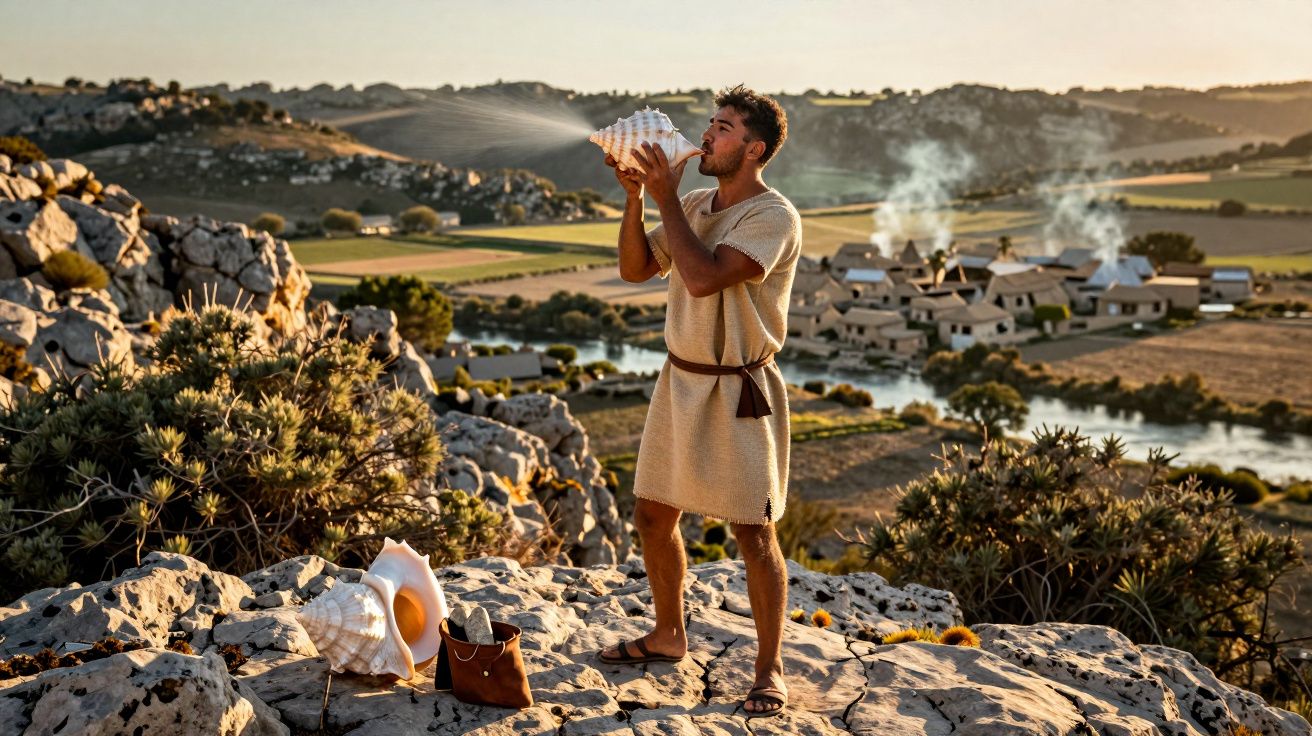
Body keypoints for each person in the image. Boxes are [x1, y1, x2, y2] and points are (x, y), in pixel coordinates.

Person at [596, 84, 801, 719]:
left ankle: (770, 671)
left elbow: (706, 276)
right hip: (679, 381)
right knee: (653, 515)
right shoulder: (691, 201)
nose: (706, 136)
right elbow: (636, 270)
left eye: (723, 128)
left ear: (754, 148)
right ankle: (668, 633)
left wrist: (663, 200)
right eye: (709, 124)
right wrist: (636, 200)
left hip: (741, 389)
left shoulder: (773, 217)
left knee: (753, 530)